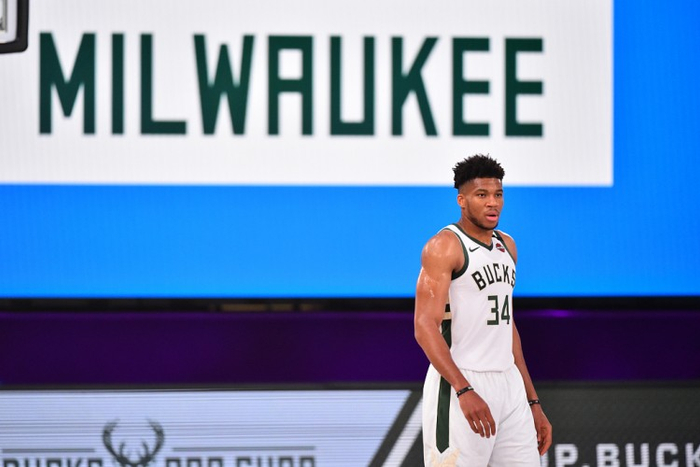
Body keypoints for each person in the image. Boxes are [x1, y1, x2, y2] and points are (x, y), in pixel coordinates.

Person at [414, 154, 552, 466]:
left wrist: (532, 401)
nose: (493, 203)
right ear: (462, 201)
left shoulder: (508, 246)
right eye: (482, 195)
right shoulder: (444, 246)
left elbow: (507, 327)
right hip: (461, 381)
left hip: (509, 383)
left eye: (498, 194)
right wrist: (464, 389)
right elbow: (424, 326)